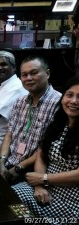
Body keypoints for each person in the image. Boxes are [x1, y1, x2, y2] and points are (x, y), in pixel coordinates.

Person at [12, 75, 79, 219]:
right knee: (10, 199)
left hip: (71, 197)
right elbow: (42, 155)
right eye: (69, 95)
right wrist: (39, 185)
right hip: (44, 187)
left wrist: (43, 179)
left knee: (19, 211)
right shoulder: (58, 124)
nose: (74, 101)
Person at [0, 56, 61, 185]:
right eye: (24, 75)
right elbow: (9, 134)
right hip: (10, 162)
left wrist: (19, 167)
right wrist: (1, 161)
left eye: (34, 73)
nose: (28, 78)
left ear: (47, 73)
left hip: (34, 169)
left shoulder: (59, 103)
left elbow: (47, 146)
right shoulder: (20, 102)